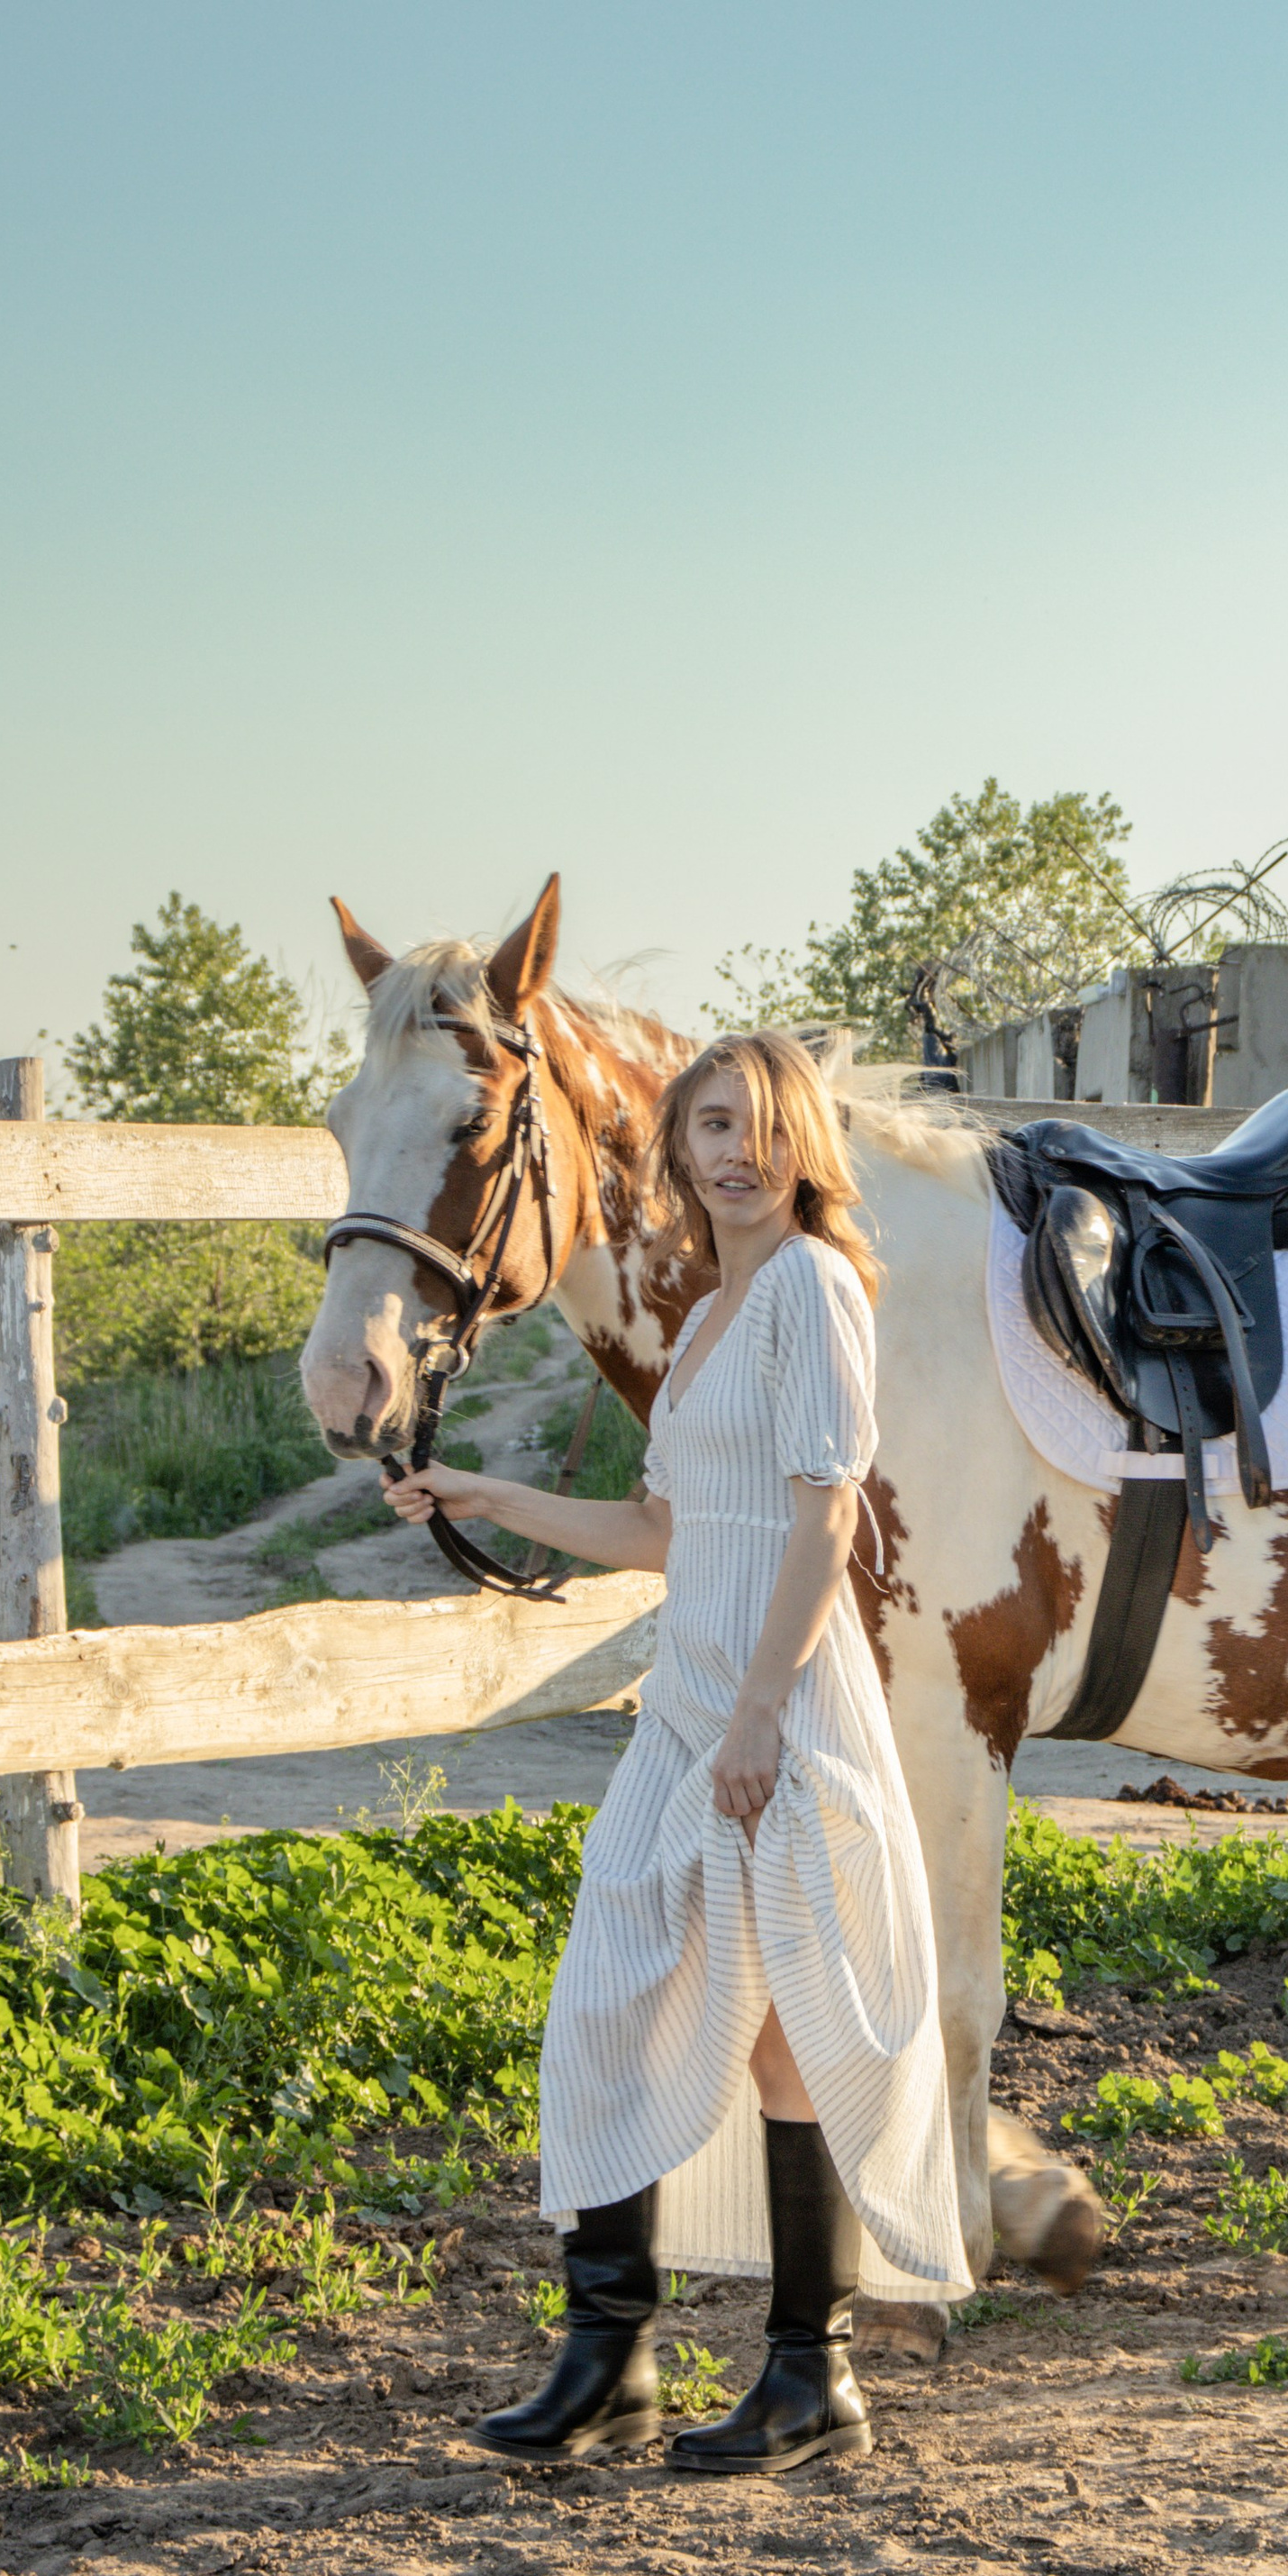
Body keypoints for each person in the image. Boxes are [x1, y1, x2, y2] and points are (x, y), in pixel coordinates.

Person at [382, 1028, 969, 2477]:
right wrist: (478, 1486)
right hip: (691, 1698)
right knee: (612, 2001)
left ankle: (807, 2377)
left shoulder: (818, 1290)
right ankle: (611, 2359)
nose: (735, 1149)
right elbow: (658, 1532)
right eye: (710, 1124)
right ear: (678, 1147)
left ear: (802, 1147)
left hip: (779, 1698)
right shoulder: (707, 1320)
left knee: (793, 2026)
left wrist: (767, 1706)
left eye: (763, 1125)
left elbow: (827, 1515)